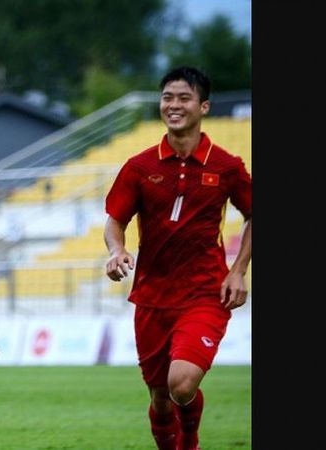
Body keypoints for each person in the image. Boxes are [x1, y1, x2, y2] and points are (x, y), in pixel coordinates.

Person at [103, 67, 252, 450]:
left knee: (181, 384)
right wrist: (116, 250)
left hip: (204, 293)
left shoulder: (226, 166)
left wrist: (238, 271)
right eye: (167, 97)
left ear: (203, 106)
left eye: (183, 98)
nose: (173, 104)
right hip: (151, 297)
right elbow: (115, 220)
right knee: (160, 399)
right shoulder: (140, 167)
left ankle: (191, 443)